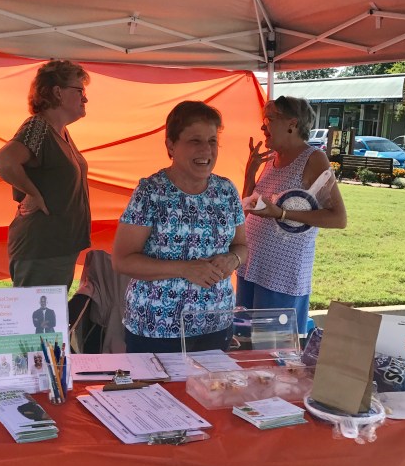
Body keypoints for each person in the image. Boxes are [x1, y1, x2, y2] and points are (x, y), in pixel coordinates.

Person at [112, 101, 247, 353]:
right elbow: (122, 260)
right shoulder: (151, 192)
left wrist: (234, 259)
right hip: (156, 327)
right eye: (195, 140)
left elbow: (242, 246)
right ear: (171, 145)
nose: (206, 149)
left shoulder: (226, 190)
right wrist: (184, 269)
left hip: (216, 323)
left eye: (212, 141)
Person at [236, 96, 347, 335]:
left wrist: (282, 213)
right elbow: (247, 209)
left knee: (272, 348)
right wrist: (250, 174)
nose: (263, 126)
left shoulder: (313, 159)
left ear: (292, 124)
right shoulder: (271, 159)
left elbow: (338, 218)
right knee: (245, 344)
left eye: (269, 119)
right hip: (252, 266)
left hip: (281, 276)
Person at [0, 60, 91, 289]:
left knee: (50, 312)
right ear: (58, 92)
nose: (85, 99)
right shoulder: (38, 128)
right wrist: (33, 193)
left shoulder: (60, 132)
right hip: (42, 248)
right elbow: (4, 161)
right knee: (37, 313)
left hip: (58, 246)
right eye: (80, 91)